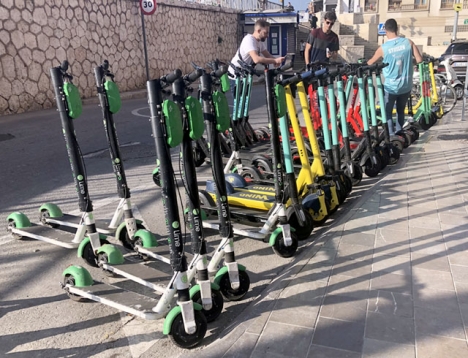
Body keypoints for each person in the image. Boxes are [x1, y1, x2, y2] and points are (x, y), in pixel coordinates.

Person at [367, 18, 423, 136]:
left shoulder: (383, 48)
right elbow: (419, 59)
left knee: (387, 112)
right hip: (406, 85)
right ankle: (399, 132)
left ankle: (392, 135)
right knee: (400, 110)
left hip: (391, 87)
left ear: (386, 31)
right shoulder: (408, 42)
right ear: (397, 29)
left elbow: (370, 63)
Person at [228, 19, 285, 96]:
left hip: (244, 75)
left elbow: (268, 55)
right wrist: (274, 61)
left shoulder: (259, 43)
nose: (267, 36)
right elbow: (256, 59)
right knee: (240, 103)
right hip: (236, 75)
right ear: (258, 31)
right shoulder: (249, 40)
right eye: (265, 33)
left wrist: (276, 60)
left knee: (245, 103)